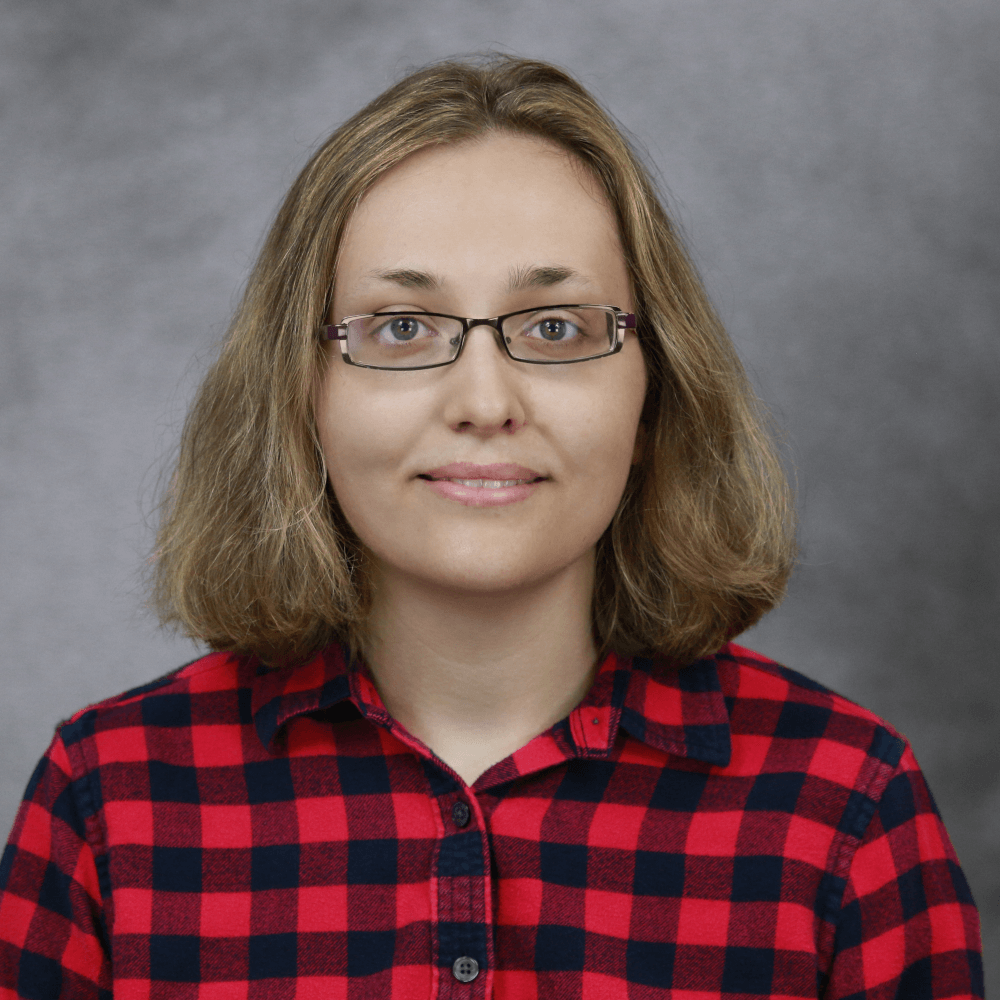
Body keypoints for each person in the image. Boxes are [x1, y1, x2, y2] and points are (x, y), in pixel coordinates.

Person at [0, 55, 982, 1000]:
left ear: (654, 397)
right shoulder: (110, 799)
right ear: (302, 397)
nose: (483, 400)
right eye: (400, 327)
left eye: (554, 327)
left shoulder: (844, 800)